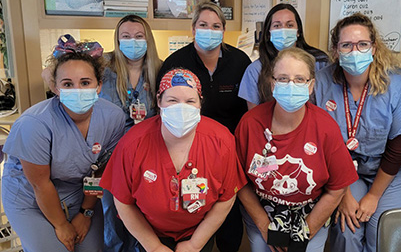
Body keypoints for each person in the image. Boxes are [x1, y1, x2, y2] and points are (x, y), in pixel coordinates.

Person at [100, 68, 247, 252]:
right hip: (148, 232)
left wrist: (195, 245)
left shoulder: (222, 141)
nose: (181, 108)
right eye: (172, 100)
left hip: (198, 232)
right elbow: (123, 202)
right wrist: (153, 247)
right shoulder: (132, 144)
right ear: (159, 101)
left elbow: (226, 198)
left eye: (190, 101)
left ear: (200, 104)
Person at [315, 13, 401, 252]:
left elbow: (399, 148)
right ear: (335, 50)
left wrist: (373, 196)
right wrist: (342, 195)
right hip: (346, 168)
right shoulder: (321, 81)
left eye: (363, 44)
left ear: (374, 48)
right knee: (346, 227)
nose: (355, 51)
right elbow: (319, 142)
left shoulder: (398, 83)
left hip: (395, 168)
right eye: (346, 45)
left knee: (381, 228)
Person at [235, 47, 358, 252]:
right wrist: (265, 226)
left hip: (311, 211)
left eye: (300, 79)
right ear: (272, 83)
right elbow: (237, 180)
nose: (290, 85)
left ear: (311, 86)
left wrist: (305, 231)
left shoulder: (325, 127)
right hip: (262, 210)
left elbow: (337, 187)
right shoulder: (250, 123)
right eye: (283, 78)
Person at [1, 50, 126, 252]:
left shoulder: (113, 117)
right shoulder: (34, 123)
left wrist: (86, 212)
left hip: (78, 193)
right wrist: (61, 225)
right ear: (55, 88)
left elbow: (100, 170)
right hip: (30, 197)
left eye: (85, 83)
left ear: (99, 85)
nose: (77, 90)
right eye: (68, 84)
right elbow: (40, 184)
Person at [155, 2, 251, 252]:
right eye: (203, 25)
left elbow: (247, 109)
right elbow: (165, 107)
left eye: (216, 26)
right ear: (193, 28)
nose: (210, 30)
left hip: (229, 149)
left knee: (229, 211)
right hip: (187, 146)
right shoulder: (177, 62)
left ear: (224, 30)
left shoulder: (239, 61)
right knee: (193, 207)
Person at [98, 14, 161, 252]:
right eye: (125, 36)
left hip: (147, 156)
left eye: (138, 36)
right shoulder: (102, 67)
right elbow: (51, 72)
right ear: (117, 39)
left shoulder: (159, 69)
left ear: (148, 40)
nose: (132, 41)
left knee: (144, 215)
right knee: (112, 217)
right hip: (110, 157)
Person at [238, 3, 330, 109]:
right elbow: (254, 115)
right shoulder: (255, 70)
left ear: (298, 31)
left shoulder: (319, 62)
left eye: (289, 25)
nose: (283, 30)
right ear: (268, 33)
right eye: (277, 25)